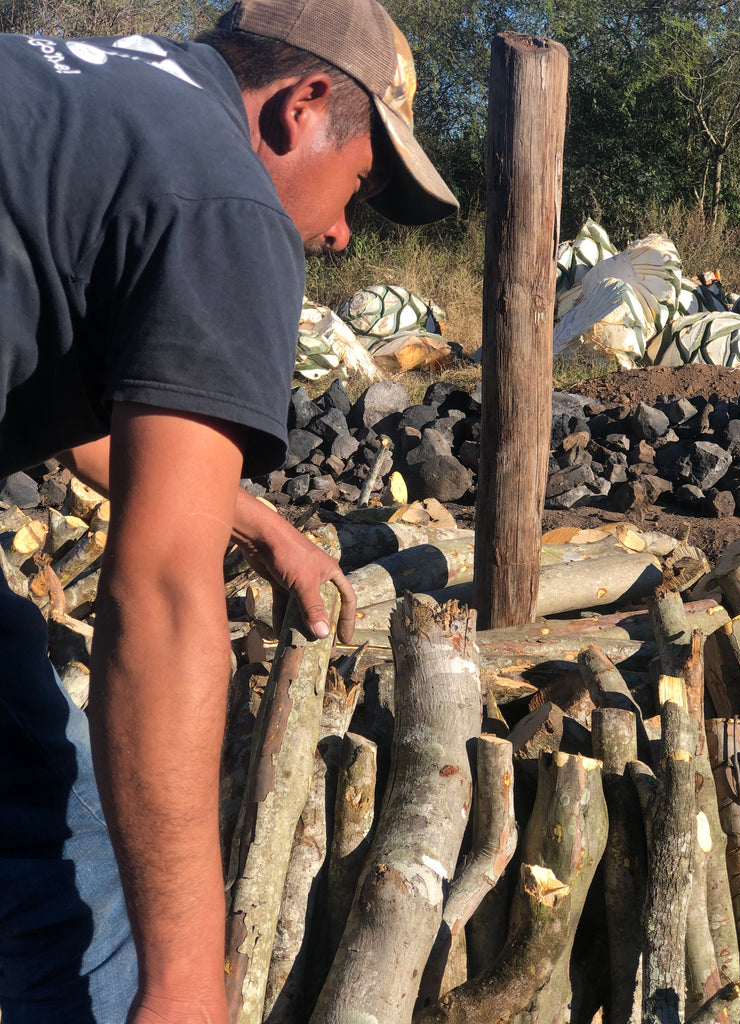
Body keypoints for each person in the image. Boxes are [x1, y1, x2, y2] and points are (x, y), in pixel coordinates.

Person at [0, 1, 458, 1021]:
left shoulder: (88, 96)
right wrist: (186, 981)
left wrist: (263, 525)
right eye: (362, 185)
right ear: (302, 106)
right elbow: (160, 593)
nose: (341, 233)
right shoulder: (227, 198)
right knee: (58, 853)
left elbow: (57, 397)